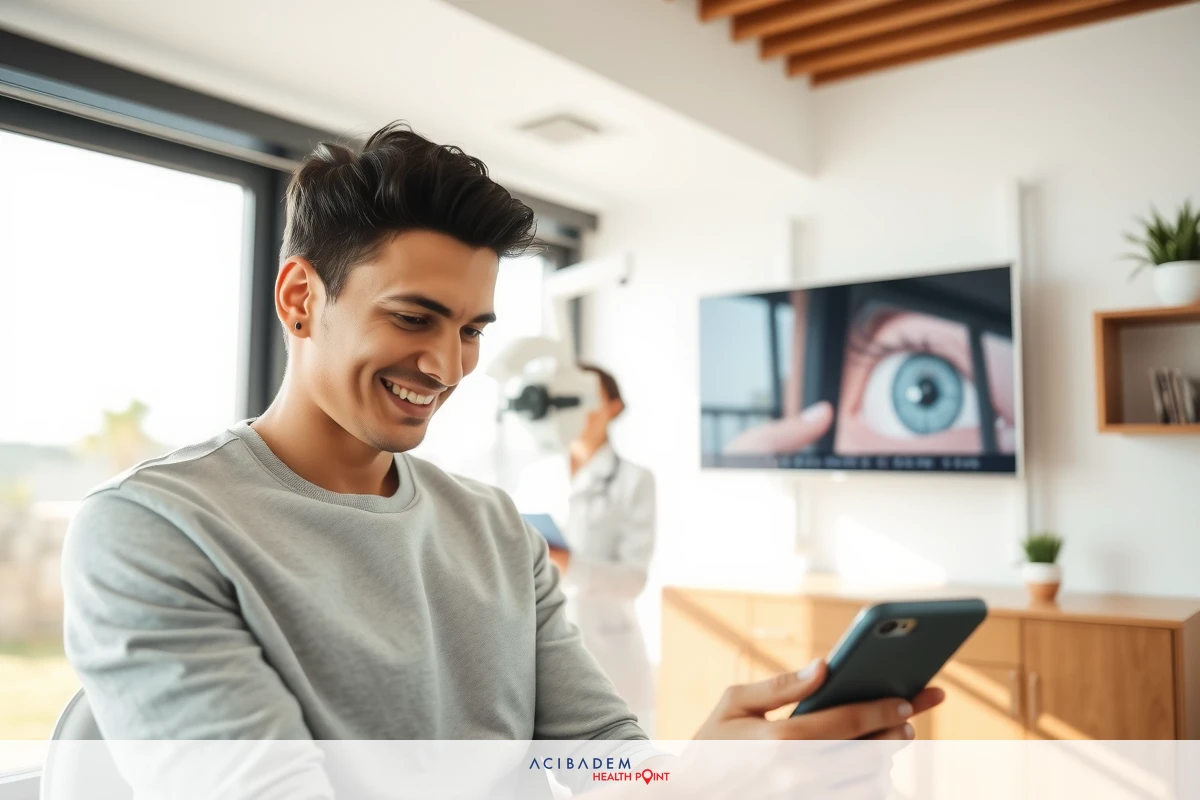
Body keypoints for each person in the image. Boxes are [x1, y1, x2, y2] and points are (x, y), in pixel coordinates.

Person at [61, 123, 943, 797]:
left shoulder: (492, 527)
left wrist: (695, 773)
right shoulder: (154, 530)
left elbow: (599, 760)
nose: (446, 367)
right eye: (413, 318)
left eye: (472, 329)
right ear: (300, 297)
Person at [522, 364, 657, 734]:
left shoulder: (634, 480)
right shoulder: (537, 474)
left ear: (612, 406)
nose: (576, 410)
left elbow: (632, 580)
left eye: (586, 398)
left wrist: (568, 563)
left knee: (619, 777)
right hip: (541, 647)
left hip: (609, 651)